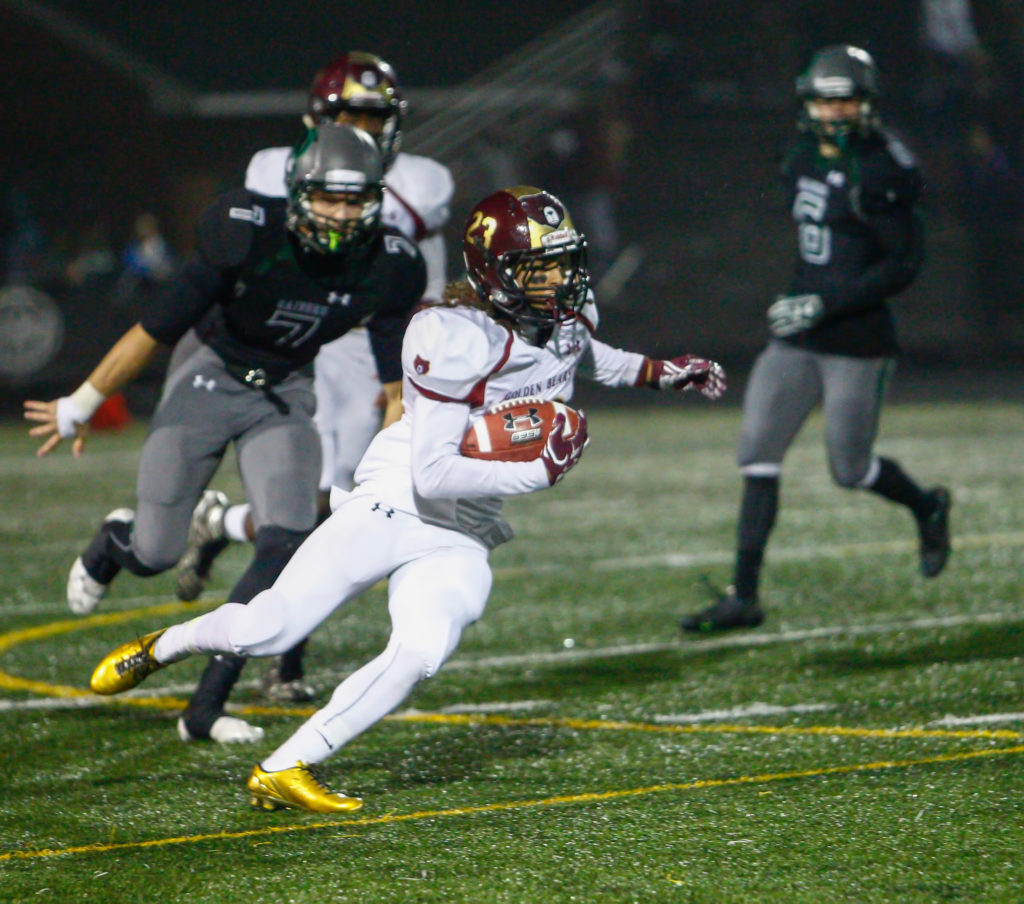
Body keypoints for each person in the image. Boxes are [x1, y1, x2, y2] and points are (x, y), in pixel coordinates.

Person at [88, 185, 727, 813]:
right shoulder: (451, 335)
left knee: (422, 650)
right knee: (267, 628)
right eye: (541, 266)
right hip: (397, 500)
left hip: (467, 525)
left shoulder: (565, 320)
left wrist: (666, 372)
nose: (561, 277)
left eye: (565, 260)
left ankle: (285, 766)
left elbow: (588, 357)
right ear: (496, 274)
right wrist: (533, 472)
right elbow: (434, 475)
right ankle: (162, 646)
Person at [25, 123, 426, 744]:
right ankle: (114, 542)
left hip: (286, 390)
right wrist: (82, 402)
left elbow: (395, 387)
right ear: (298, 192)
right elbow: (155, 327)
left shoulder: (390, 265)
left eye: (355, 199)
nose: (342, 213)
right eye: (328, 197)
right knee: (156, 554)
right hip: (210, 374)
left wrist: (390, 479)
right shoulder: (246, 229)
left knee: (286, 543)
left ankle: (204, 707)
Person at [174, 51, 455, 704]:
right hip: (299, 343)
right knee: (316, 505)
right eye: (350, 115)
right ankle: (283, 660)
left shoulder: (423, 181)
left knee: (338, 503)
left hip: (370, 351)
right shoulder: (274, 169)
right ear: (317, 119)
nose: (362, 130)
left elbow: (418, 267)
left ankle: (222, 525)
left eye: (374, 116)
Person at [681, 45, 952, 635]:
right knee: (756, 454)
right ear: (808, 103)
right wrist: (804, 298)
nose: (836, 111)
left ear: (867, 104)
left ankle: (927, 505)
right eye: (826, 100)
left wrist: (824, 301)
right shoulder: (799, 154)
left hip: (857, 339)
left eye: (848, 99)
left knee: (850, 470)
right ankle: (744, 596)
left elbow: (904, 264)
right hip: (800, 337)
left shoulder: (881, 168)